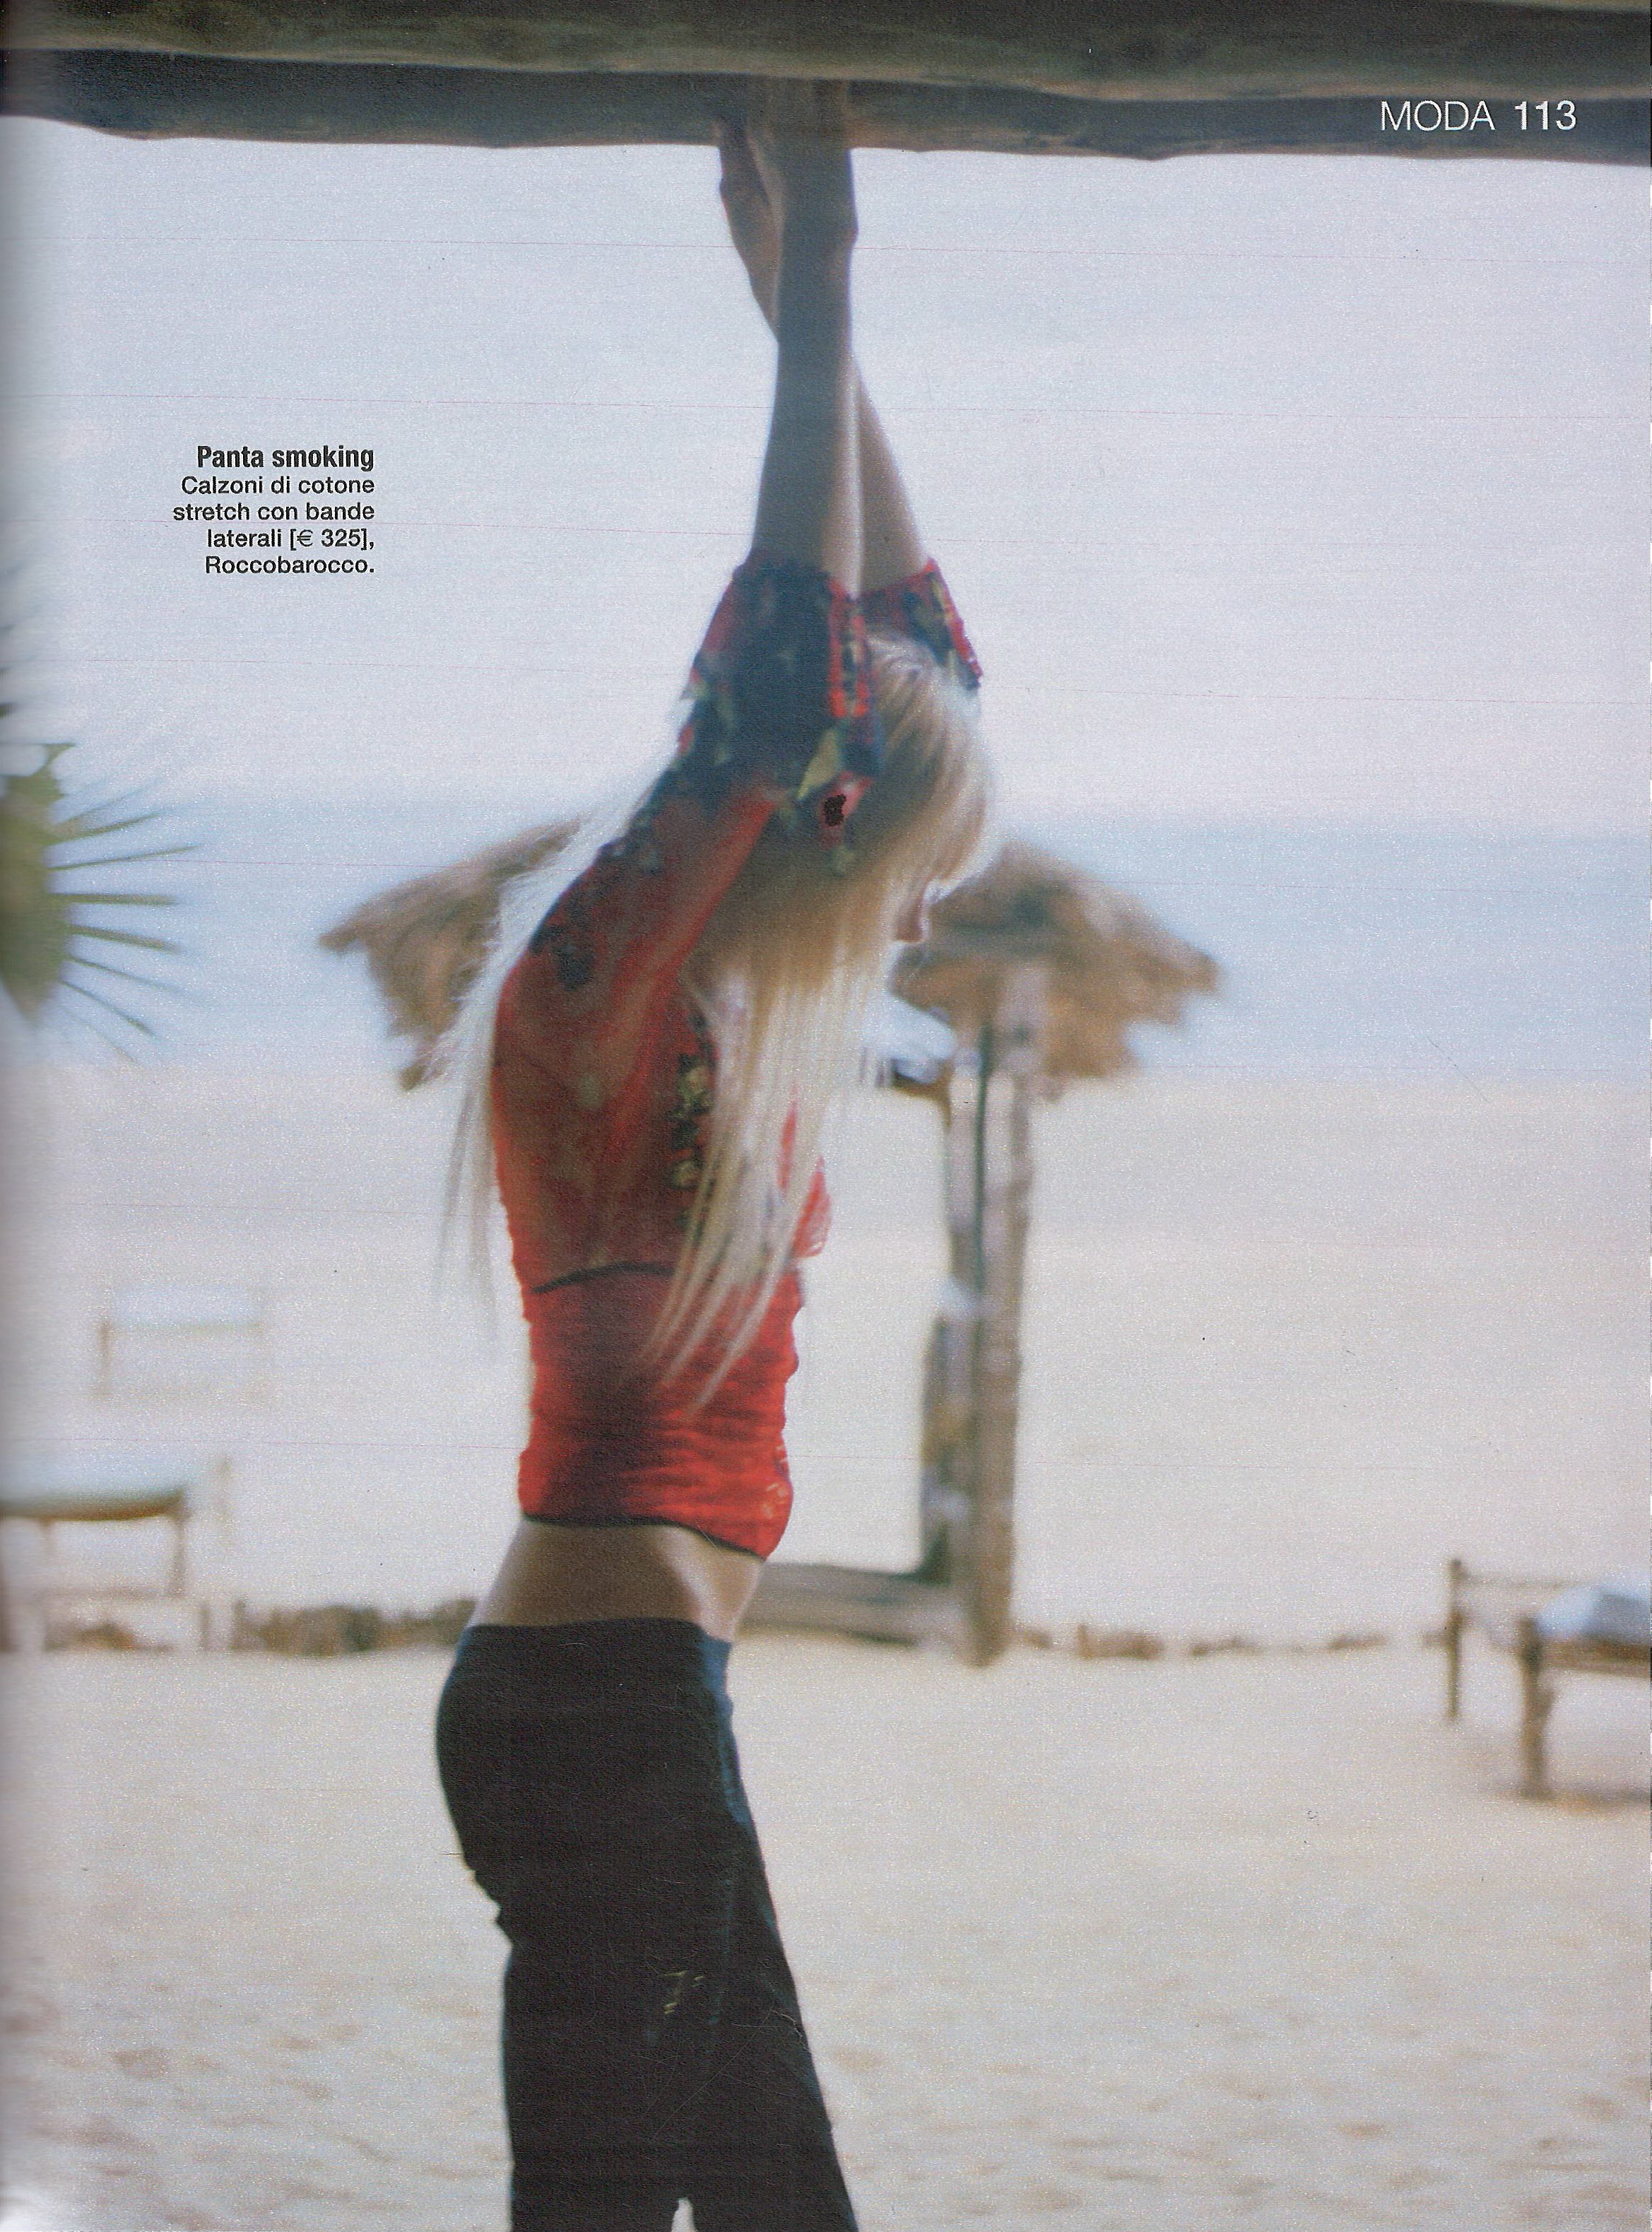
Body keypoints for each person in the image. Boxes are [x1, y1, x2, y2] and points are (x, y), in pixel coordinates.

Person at [435, 83, 989, 2231]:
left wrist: (810, 322)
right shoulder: (596, 998)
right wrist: (818, 286)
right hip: (602, 1714)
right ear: (822, 835)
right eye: (908, 874)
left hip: (635, 1705)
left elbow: (909, 664)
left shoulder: (719, 1020)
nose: (916, 921)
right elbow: (779, 696)